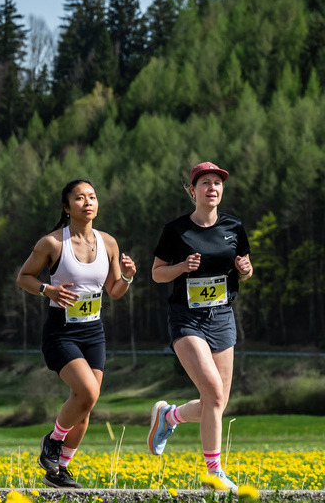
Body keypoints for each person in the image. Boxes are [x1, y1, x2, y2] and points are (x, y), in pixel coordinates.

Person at [15, 179, 136, 489]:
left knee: (85, 407)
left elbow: (114, 290)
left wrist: (128, 278)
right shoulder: (53, 244)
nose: (88, 202)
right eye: (80, 198)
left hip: (93, 332)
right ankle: (52, 442)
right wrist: (47, 289)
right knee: (88, 393)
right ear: (66, 207)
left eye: (92, 197)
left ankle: (59, 471)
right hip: (61, 332)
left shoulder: (108, 242)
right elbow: (24, 277)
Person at [147, 162, 254, 492]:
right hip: (187, 317)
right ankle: (214, 473)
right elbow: (156, 273)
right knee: (213, 392)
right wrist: (181, 267)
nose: (213, 188)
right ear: (193, 191)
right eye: (205, 183)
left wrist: (246, 268)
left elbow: (245, 269)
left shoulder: (234, 227)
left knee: (217, 402)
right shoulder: (177, 230)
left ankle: (169, 417)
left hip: (222, 317)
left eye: (218, 183)